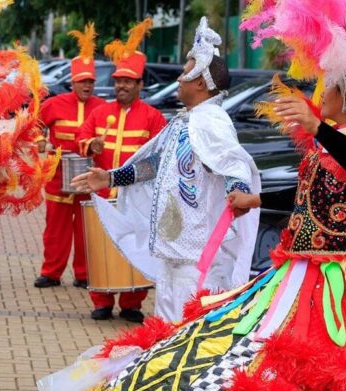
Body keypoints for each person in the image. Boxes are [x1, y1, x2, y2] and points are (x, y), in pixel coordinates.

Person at [41, 43, 346, 391]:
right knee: (230, 345)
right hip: (296, 271)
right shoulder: (328, 141)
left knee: (343, 372)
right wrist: (255, 198)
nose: (317, 93)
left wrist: (316, 128)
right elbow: (303, 191)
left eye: (325, 86)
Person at [72, 18, 260, 322]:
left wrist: (239, 190)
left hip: (197, 256)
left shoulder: (212, 122)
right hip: (173, 249)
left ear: (201, 82)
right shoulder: (187, 121)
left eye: (185, 74)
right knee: (164, 328)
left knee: (188, 330)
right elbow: (157, 165)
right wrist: (111, 177)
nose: (179, 80)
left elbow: (232, 162)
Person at [75, 18, 168, 323]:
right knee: (101, 246)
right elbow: (80, 139)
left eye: (128, 81)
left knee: (134, 244)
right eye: (118, 81)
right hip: (102, 192)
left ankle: (132, 302)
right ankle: (101, 300)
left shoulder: (153, 117)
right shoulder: (101, 112)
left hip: (136, 197)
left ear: (140, 84)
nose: (121, 86)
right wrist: (91, 146)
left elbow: (161, 156)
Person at [33, 24, 105, 290]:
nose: (86, 85)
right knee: (56, 228)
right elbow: (32, 125)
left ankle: (84, 275)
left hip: (89, 175)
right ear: (73, 82)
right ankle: (51, 272)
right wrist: (41, 142)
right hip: (58, 174)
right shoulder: (54, 104)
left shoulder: (103, 107)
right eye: (82, 81)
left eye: (90, 81)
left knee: (86, 227)